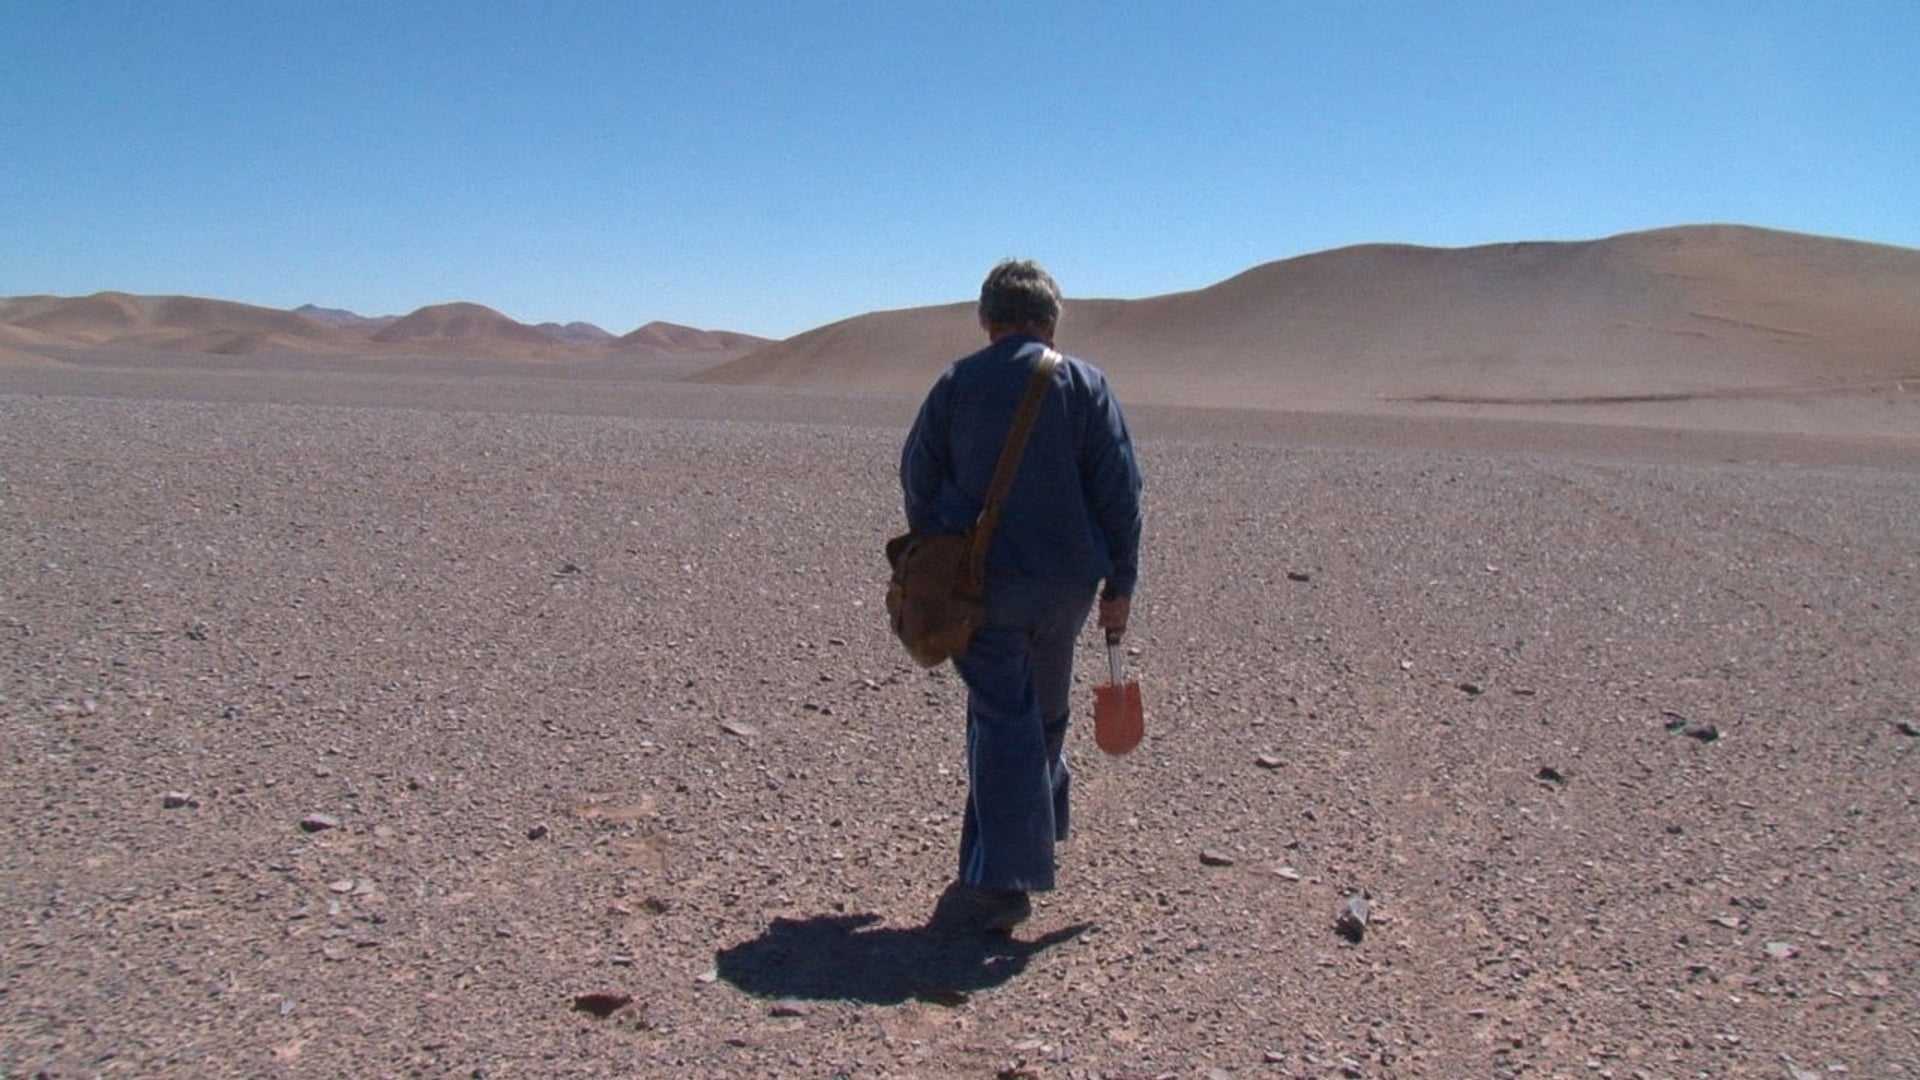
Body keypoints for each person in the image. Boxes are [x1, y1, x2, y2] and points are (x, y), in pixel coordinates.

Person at [899, 259, 1143, 932]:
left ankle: (1002, 883)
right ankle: (1027, 837)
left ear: (988, 321)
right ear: (1050, 320)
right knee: (1041, 712)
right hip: (1068, 585)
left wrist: (940, 548)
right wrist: (1121, 581)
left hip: (983, 587)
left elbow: (918, 476)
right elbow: (1121, 491)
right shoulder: (1086, 384)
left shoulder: (958, 382)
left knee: (1003, 718)